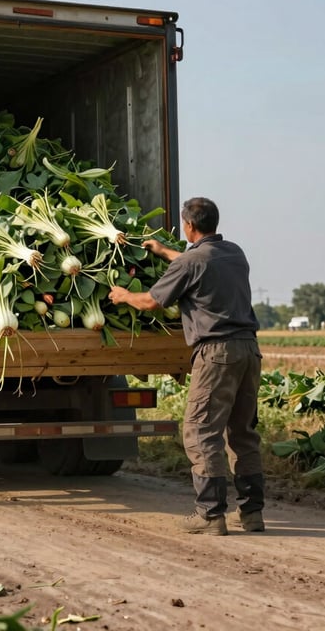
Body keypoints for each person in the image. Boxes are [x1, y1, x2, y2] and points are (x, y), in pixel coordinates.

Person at [108, 197, 264, 536]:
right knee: (243, 432)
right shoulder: (234, 253)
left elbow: (151, 301)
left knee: (200, 430)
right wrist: (165, 252)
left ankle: (210, 514)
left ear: (188, 226)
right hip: (249, 351)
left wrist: (122, 296)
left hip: (216, 352)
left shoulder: (191, 262)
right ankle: (252, 514)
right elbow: (198, 262)